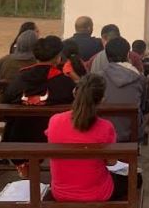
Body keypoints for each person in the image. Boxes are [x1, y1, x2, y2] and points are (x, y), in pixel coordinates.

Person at [46, 74, 138, 202]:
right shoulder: (105, 127)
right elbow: (111, 162)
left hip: (61, 192)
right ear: (102, 99)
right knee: (136, 178)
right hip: (96, 193)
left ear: (74, 92)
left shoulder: (54, 121)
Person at [2, 36, 76, 145]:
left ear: (36, 56)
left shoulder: (20, 78)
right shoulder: (65, 82)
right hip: (54, 141)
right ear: (58, 57)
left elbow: (6, 99)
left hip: (17, 139)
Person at [97, 37, 148, 142]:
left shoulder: (96, 77)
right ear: (128, 55)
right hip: (131, 132)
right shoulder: (140, 78)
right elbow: (142, 105)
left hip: (102, 131)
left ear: (106, 56)